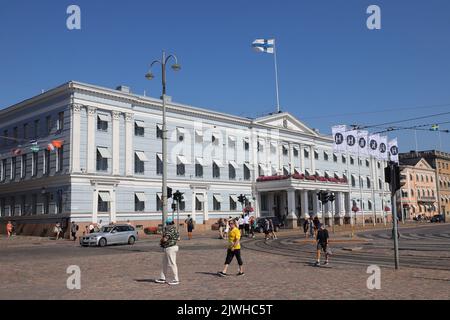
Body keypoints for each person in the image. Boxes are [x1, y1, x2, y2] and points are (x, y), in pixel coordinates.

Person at [155, 217, 180, 285]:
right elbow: (179, 238)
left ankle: (176, 279)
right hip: (172, 247)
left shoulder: (169, 231)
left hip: (170, 248)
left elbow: (165, 239)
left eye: (167, 224)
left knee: (172, 263)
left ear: (168, 224)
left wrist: (162, 239)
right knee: (164, 263)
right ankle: (162, 278)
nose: (166, 225)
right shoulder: (175, 230)